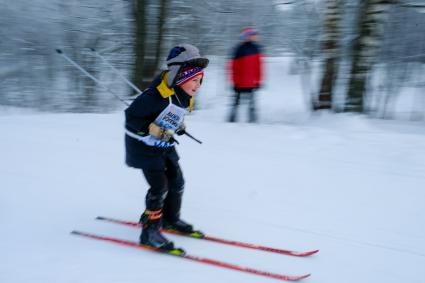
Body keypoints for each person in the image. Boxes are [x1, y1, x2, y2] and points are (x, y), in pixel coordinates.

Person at [124, 44, 209, 250]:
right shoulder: (152, 97)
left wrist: (178, 126)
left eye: (200, 81)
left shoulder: (182, 95)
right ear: (179, 77)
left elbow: (172, 114)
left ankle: (170, 219)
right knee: (159, 187)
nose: (197, 86)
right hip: (144, 147)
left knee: (177, 181)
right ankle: (150, 232)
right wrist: (150, 129)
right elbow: (131, 118)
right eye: (194, 81)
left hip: (165, 144)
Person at [228, 27, 264, 123]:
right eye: (253, 35)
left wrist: (258, 81)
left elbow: (259, 67)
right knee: (236, 103)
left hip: (251, 82)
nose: (255, 37)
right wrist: (234, 82)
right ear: (246, 36)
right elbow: (233, 67)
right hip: (240, 82)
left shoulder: (257, 49)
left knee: (252, 105)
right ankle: (231, 121)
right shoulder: (238, 49)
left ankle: (252, 122)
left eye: (255, 35)